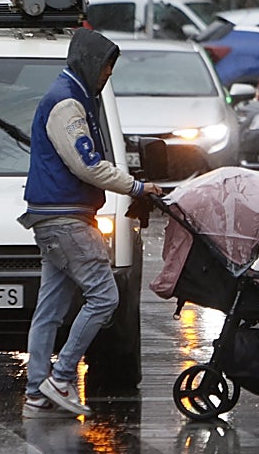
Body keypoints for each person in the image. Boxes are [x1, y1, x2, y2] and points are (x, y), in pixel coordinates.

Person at [19, 27, 162, 418]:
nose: (106, 77)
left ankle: (36, 392)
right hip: (66, 219)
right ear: (89, 63)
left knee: (49, 309)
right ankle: (60, 377)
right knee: (105, 297)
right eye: (105, 69)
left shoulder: (72, 97)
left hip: (52, 218)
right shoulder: (67, 105)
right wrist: (136, 186)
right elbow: (87, 165)